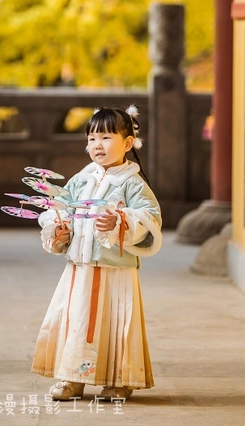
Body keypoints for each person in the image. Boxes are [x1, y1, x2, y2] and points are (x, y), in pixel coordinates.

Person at [31, 105, 162, 402]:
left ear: (128, 143)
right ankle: (72, 378)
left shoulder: (131, 182)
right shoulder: (79, 181)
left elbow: (151, 217)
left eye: (105, 137)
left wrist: (120, 222)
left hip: (117, 271)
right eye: (91, 138)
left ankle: (118, 380)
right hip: (80, 269)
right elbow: (58, 211)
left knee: (115, 322)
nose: (97, 145)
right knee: (76, 319)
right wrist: (60, 230)